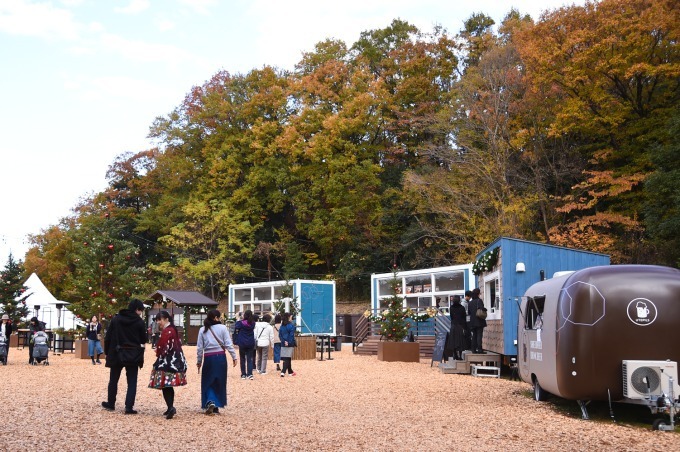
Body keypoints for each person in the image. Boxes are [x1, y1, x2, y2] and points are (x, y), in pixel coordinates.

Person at [102, 299, 147, 414]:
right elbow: (143, 339)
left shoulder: (116, 319)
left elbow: (108, 337)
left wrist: (107, 352)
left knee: (113, 380)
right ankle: (129, 407)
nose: (140, 313)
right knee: (132, 381)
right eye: (140, 310)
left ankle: (111, 403)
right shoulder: (140, 322)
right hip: (133, 355)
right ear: (137, 309)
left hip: (116, 353)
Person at [196, 310, 237, 415]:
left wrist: (199, 361)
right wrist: (234, 356)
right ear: (215, 318)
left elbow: (200, 348)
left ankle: (210, 401)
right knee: (219, 381)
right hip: (220, 357)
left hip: (208, 357)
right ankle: (217, 405)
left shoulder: (202, 330)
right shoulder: (223, 328)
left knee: (208, 380)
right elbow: (228, 344)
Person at [148, 311, 187, 420]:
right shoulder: (173, 329)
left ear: (166, 319)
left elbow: (163, 347)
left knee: (165, 385)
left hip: (167, 362)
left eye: (159, 320)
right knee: (168, 385)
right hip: (174, 361)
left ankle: (170, 407)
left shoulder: (167, 331)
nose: (158, 322)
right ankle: (169, 406)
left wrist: (157, 350)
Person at [233, 309, 256, 380]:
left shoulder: (241, 323)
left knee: (242, 358)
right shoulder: (253, 323)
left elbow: (236, 327)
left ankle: (243, 374)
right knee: (250, 358)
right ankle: (250, 374)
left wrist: (239, 318)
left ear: (245, 315)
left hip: (242, 342)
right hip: (250, 342)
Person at [467, 288, 487, 353]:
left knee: (474, 335)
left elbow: (469, 312)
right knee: (479, 335)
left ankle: (473, 349)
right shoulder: (479, 301)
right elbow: (481, 309)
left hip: (472, 321)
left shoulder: (470, 302)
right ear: (478, 294)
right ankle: (480, 349)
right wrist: (485, 309)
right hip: (479, 320)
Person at [447, 295, 467, 360]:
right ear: (459, 300)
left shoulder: (451, 308)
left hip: (453, 325)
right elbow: (464, 318)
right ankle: (460, 356)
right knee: (460, 341)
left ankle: (455, 354)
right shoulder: (462, 308)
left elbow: (451, 317)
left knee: (454, 341)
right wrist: (464, 327)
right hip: (460, 326)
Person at [278, 312, 297, 377]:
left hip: (283, 343)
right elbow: (291, 335)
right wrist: (288, 342)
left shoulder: (282, 326)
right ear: (289, 317)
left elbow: (280, 335)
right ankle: (283, 371)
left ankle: (290, 371)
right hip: (290, 343)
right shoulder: (291, 325)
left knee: (287, 357)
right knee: (287, 357)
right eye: (291, 317)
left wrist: (284, 341)